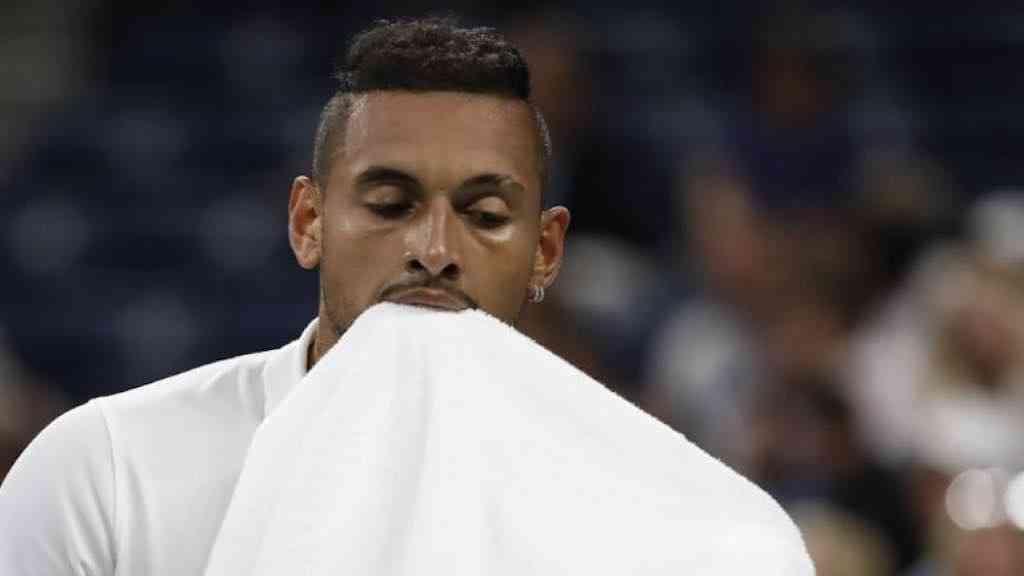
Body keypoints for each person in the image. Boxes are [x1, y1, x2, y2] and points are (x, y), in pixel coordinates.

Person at [0, 18, 810, 575]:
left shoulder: (692, 528)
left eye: (485, 216)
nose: (435, 249)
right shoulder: (108, 474)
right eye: (390, 205)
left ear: (546, 251)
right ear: (309, 222)